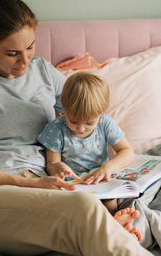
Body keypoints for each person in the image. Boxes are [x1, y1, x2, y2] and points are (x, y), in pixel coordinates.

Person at [0, 0, 152, 256]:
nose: (25, 61)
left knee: (86, 213)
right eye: (12, 53)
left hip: (47, 184)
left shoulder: (42, 70)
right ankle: (113, 233)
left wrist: (109, 165)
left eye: (30, 47)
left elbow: (85, 115)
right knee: (82, 209)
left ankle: (110, 232)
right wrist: (26, 184)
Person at [37, 71, 135, 215]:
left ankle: (116, 222)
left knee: (110, 201)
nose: (81, 128)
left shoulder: (104, 123)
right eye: (73, 121)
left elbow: (127, 151)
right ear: (63, 106)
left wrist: (107, 168)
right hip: (74, 187)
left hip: (101, 182)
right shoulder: (56, 129)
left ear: (101, 112)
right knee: (77, 209)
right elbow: (51, 164)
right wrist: (59, 167)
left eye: (89, 123)